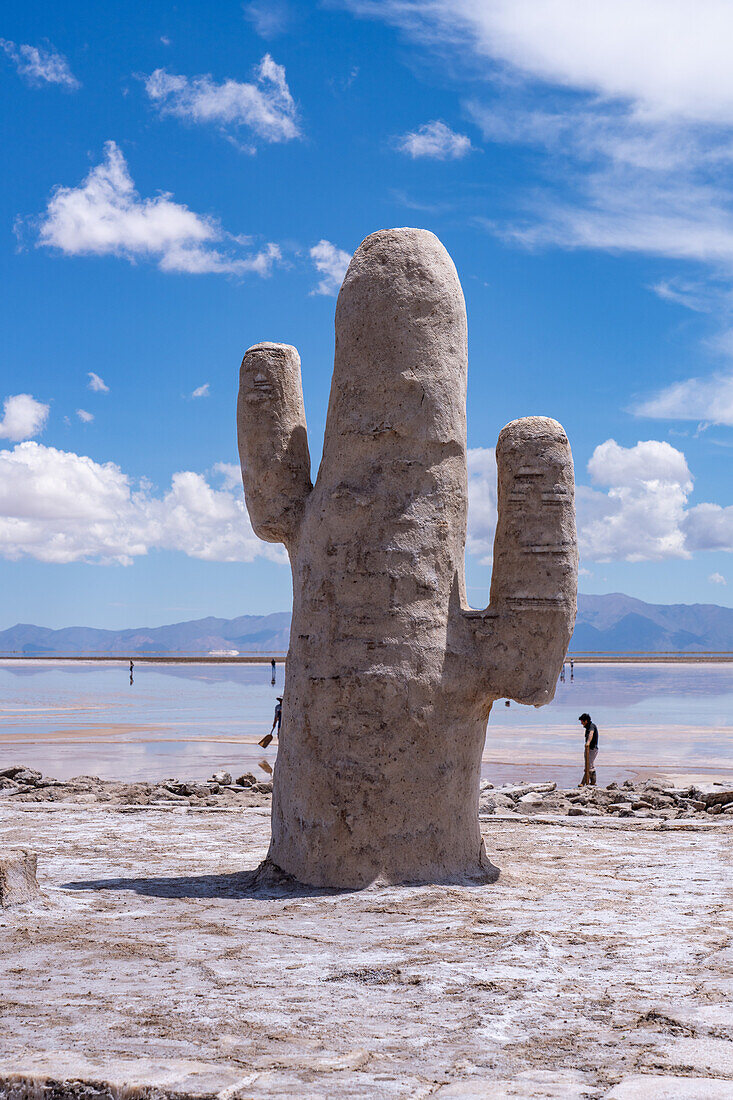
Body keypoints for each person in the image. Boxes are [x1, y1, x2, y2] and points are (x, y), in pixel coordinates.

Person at [578, 712, 598, 786]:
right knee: (589, 765)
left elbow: (591, 734)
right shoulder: (587, 727)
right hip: (588, 749)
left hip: (592, 749)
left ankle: (583, 782)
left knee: (588, 765)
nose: (581, 723)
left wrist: (588, 743)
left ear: (586, 721)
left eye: (582, 721)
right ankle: (593, 782)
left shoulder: (591, 726)